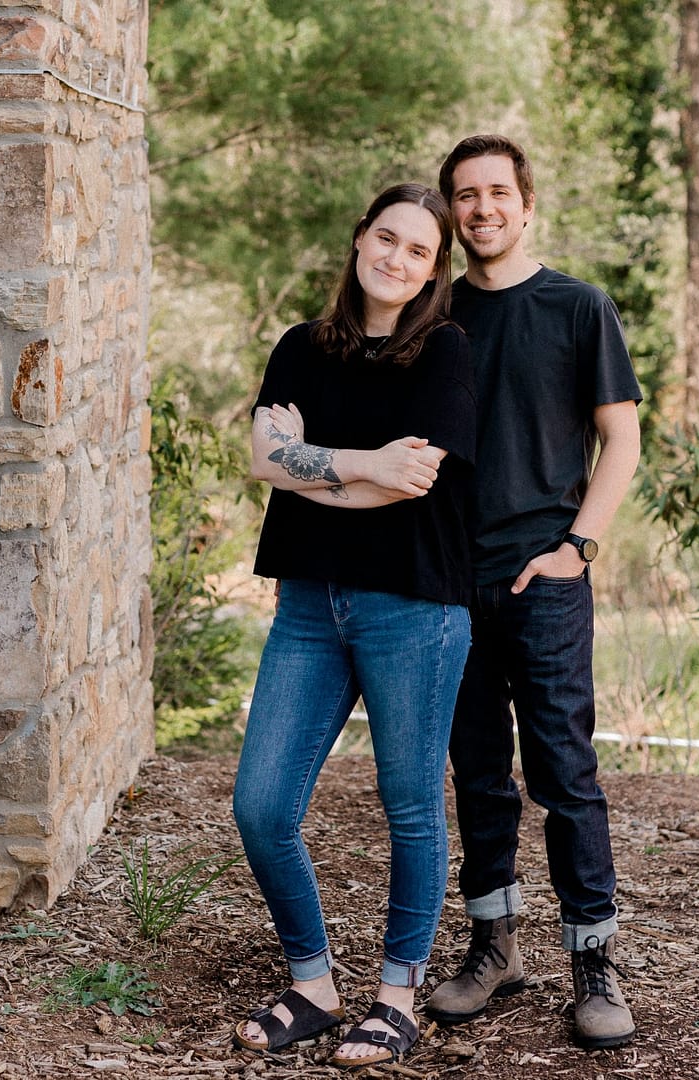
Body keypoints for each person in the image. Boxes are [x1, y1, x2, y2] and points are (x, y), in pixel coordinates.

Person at [230, 183, 478, 1069]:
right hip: (308, 604)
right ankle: (314, 984)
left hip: (412, 608)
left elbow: (412, 482)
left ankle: (397, 995)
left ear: (433, 270)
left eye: (418, 250)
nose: (396, 259)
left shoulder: (444, 351)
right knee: (261, 806)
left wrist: (312, 467)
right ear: (359, 239)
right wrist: (365, 462)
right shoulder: (301, 346)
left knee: (409, 806)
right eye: (386, 238)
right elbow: (263, 457)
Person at [421, 134, 643, 1050]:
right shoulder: (433, 315)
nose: (481, 209)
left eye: (496, 193)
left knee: (564, 774)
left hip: (543, 583)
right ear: (451, 211)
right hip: (449, 584)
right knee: (476, 774)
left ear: (526, 204)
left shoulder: (578, 307)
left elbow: (621, 439)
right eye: (464, 195)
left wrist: (576, 548)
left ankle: (593, 961)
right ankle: (494, 947)